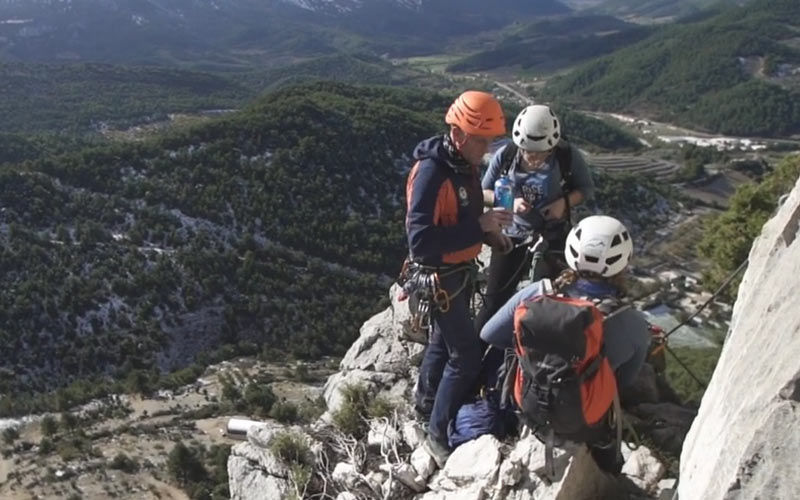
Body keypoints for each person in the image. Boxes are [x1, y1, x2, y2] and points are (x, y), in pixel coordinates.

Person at [405, 90, 513, 467]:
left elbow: (460, 216)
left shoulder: (461, 162)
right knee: (465, 355)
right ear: (462, 134)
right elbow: (420, 242)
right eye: (483, 141)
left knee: (442, 339)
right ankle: (437, 436)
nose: (487, 150)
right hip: (440, 275)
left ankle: (425, 403)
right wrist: (478, 227)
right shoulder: (432, 173)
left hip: (455, 273)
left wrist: (488, 232)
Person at [480, 214, 650, 393]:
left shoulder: (538, 293)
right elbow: (624, 382)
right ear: (624, 261)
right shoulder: (632, 322)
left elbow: (489, 333)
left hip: (526, 396)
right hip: (583, 411)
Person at [474, 104, 595, 334]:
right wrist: (510, 202)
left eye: (540, 153)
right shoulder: (507, 155)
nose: (533, 158)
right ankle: (477, 353)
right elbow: (483, 192)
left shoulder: (567, 157)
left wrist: (563, 203)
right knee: (494, 301)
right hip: (511, 237)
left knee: (550, 302)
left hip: (553, 237)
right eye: (528, 151)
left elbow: (586, 189)